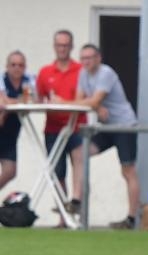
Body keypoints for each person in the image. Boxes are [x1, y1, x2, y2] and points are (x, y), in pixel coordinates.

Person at [71, 43, 140, 230]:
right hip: (107, 126)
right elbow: (81, 102)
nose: (86, 62)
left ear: (98, 58)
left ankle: (132, 219)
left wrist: (95, 104)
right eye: (83, 58)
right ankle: (76, 200)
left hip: (124, 125)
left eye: (89, 58)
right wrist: (95, 105)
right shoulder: (83, 74)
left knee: (128, 171)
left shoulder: (106, 73)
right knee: (79, 152)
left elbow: (92, 100)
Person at [35, 29, 85, 226]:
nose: (62, 48)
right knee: (57, 172)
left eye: (66, 45)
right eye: (59, 45)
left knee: (79, 162)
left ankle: (76, 203)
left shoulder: (81, 70)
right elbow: (39, 98)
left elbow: (84, 98)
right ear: (54, 47)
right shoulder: (45, 72)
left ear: (71, 46)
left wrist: (65, 102)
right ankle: (64, 216)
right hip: (53, 128)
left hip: (78, 125)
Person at [0, 51, 35, 191]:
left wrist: (9, 107)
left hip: (10, 134)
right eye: (13, 64)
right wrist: (19, 103)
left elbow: (32, 102)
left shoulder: (28, 80)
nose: (17, 68)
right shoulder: (1, 78)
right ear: (7, 66)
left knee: (10, 171)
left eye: (20, 65)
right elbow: (3, 101)